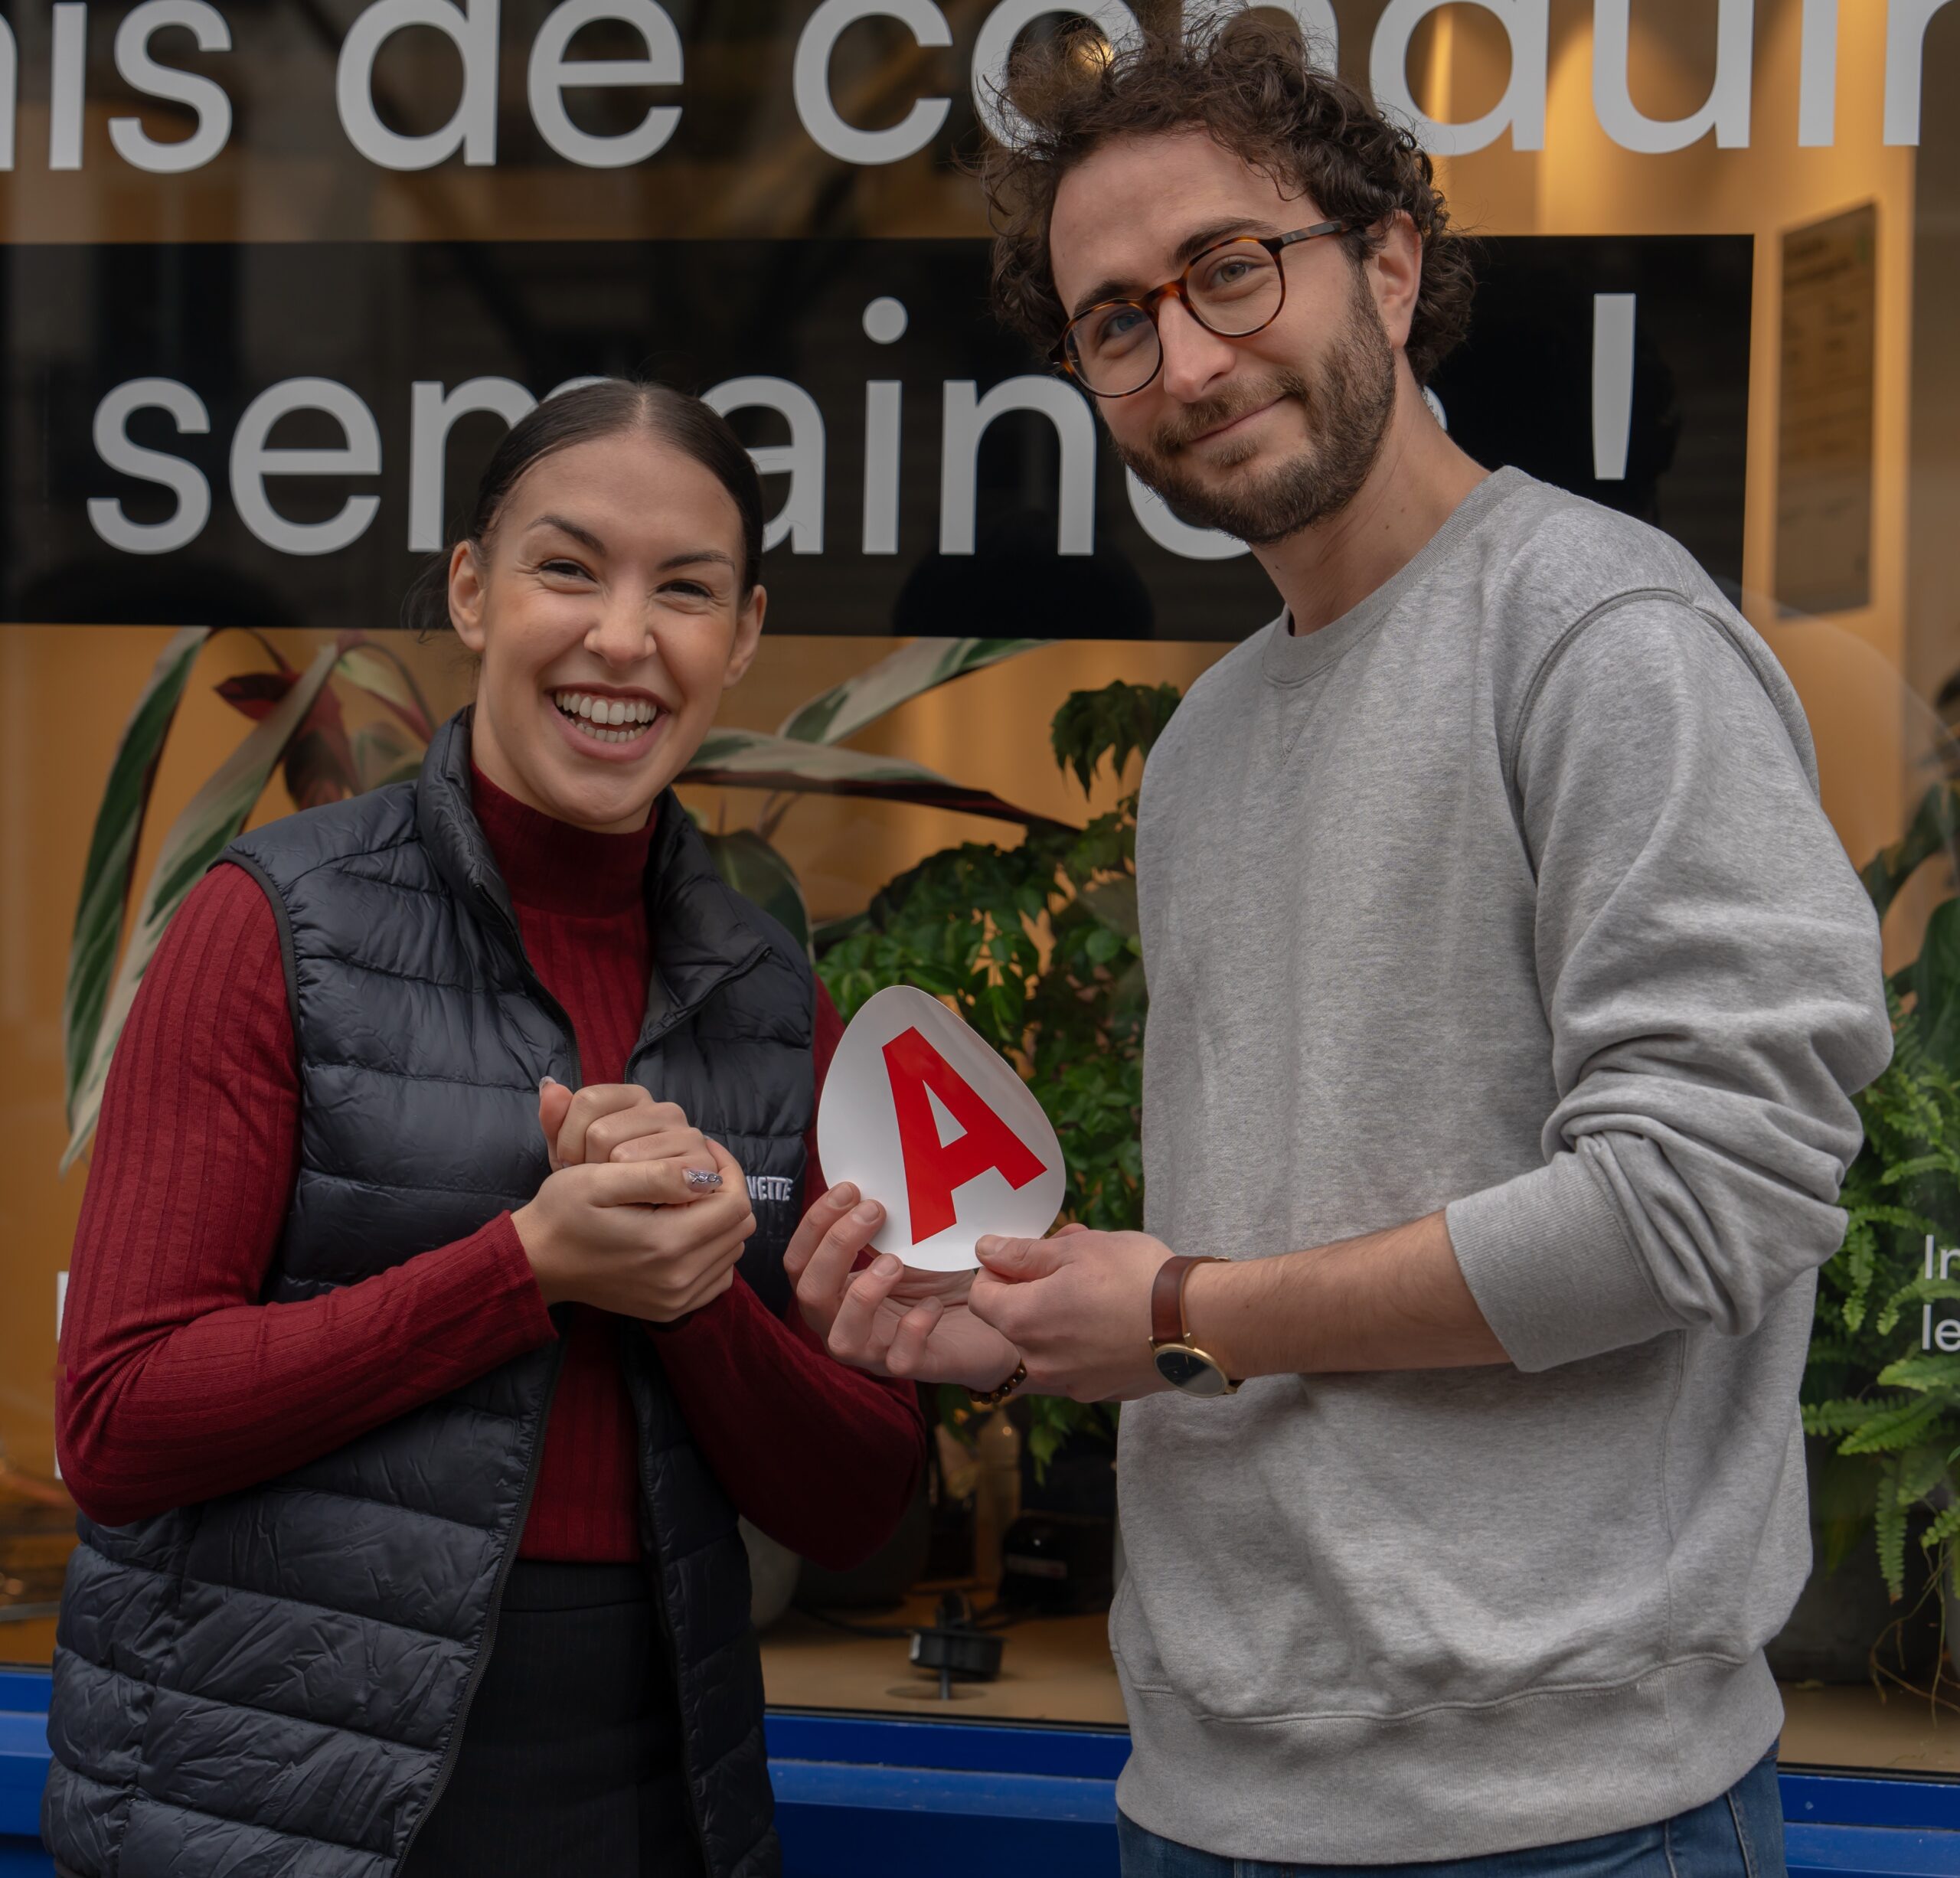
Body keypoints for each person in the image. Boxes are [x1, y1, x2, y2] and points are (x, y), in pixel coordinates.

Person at [786, 15, 1893, 1877]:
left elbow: (1709, 1197)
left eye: (1228, 270)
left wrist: (1179, 1308)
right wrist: (1042, 1325)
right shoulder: (1210, 741)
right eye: (1115, 322)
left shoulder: (1600, 636)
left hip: (1562, 1822)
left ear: (1386, 260)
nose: (1188, 359)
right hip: (1199, 1795)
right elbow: (1256, 1276)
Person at [44, 379, 926, 1878]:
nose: (621, 640)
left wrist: (689, 1291)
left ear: (746, 635)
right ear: (471, 588)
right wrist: (525, 1269)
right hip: (268, 1795)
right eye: (566, 567)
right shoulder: (275, 923)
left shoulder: (773, 999)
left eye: (685, 592)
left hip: (643, 1796)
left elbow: (853, 1500)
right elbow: (119, 1421)